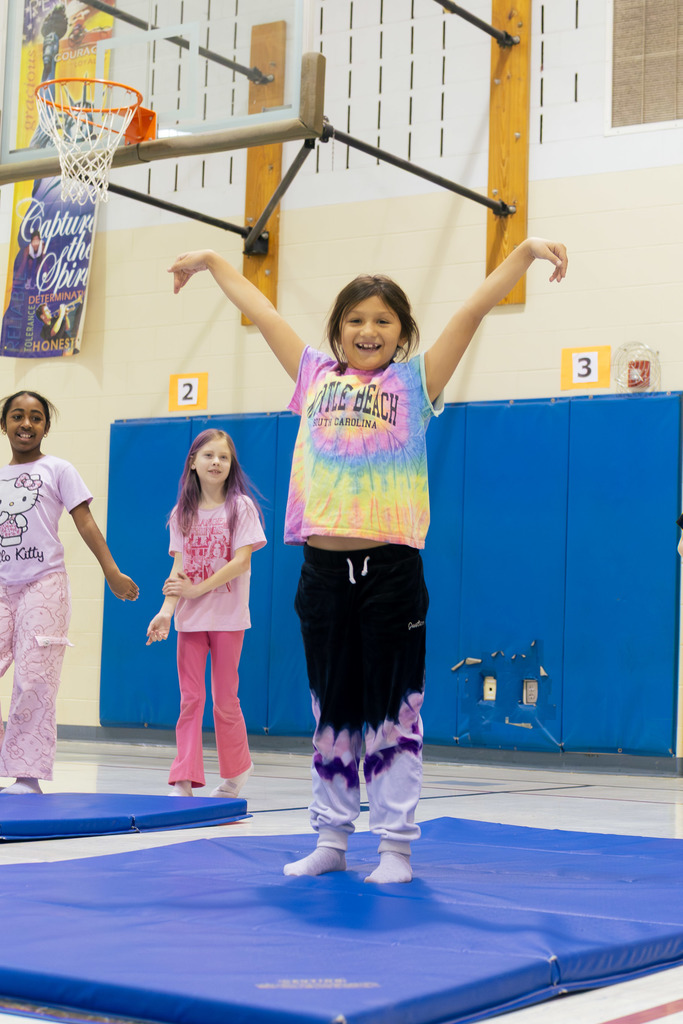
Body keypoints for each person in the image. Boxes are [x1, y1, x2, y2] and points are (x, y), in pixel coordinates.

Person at [167, 237, 568, 882]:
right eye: (355, 319)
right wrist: (214, 263)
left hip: (389, 571)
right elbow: (265, 314)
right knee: (332, 705)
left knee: (393, 707)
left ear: (402, 332)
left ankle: (395, 848)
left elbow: (468, 314)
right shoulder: (314, 377)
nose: (368, 330)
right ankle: (330, 839)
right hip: (323, 572)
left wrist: (520, 256)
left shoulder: (415, 382)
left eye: (383, 320)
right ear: (338, 331)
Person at [0, 390, 139, 794]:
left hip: (43, 585)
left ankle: (27, 776)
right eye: (18, 416)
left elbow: (86, 523)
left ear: (45, 426)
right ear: (4, 423)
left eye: (36, 417)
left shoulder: (58, 469)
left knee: (33, 679)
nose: (27, 423)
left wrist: (111, 571)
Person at [146, 429, 266, 798]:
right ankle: (184, 778)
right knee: (190, 699)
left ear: (231, 465)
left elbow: (241, 561)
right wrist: (167, 611)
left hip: (228, 618)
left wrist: (198, 589)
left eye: (224, 457)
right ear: (193, 463)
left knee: (225, 699)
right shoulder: (181, 513)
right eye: (209, 456)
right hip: (191, 620)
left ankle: (236, 773)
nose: (216, 462)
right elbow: (178, 572)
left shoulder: (240, 507)